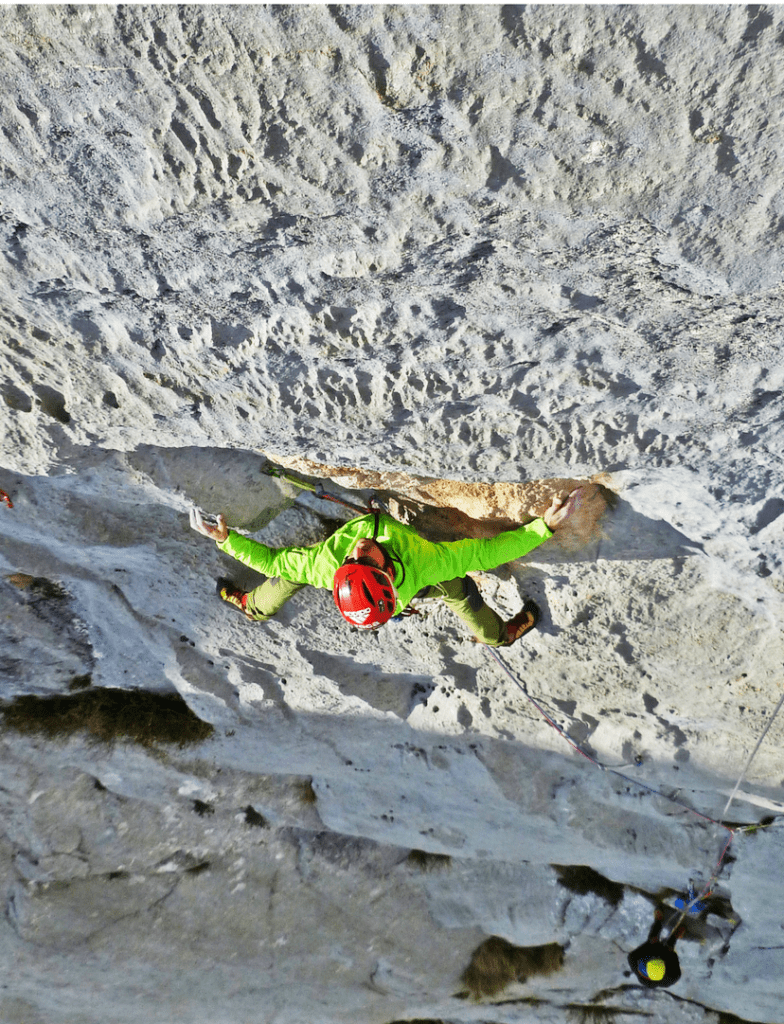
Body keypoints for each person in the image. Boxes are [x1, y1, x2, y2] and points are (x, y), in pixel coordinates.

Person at [189, 489, 583, 647]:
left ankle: (253, 607)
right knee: (460, 591)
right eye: (363, 560)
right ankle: (502, 637)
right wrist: (543, 526)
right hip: (420, 585)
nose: (359, 548)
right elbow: (485, 554)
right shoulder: (429, 564)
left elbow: (271, 561)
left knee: (289, 573)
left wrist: (225, 539)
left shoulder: (328, 566)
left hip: (386, 593)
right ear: (387, 573)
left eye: (354, 559)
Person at [627, 908, 685, 989]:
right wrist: (671, 952)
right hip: (666, 957)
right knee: (669, 946)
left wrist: (650, 943)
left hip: (650, 951)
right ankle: (675, 936)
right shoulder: (671, 977)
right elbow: (674, 958)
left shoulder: (634, 960)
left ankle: (658, 921)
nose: (657, 957)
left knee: (653, 937)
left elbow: (631, 956)